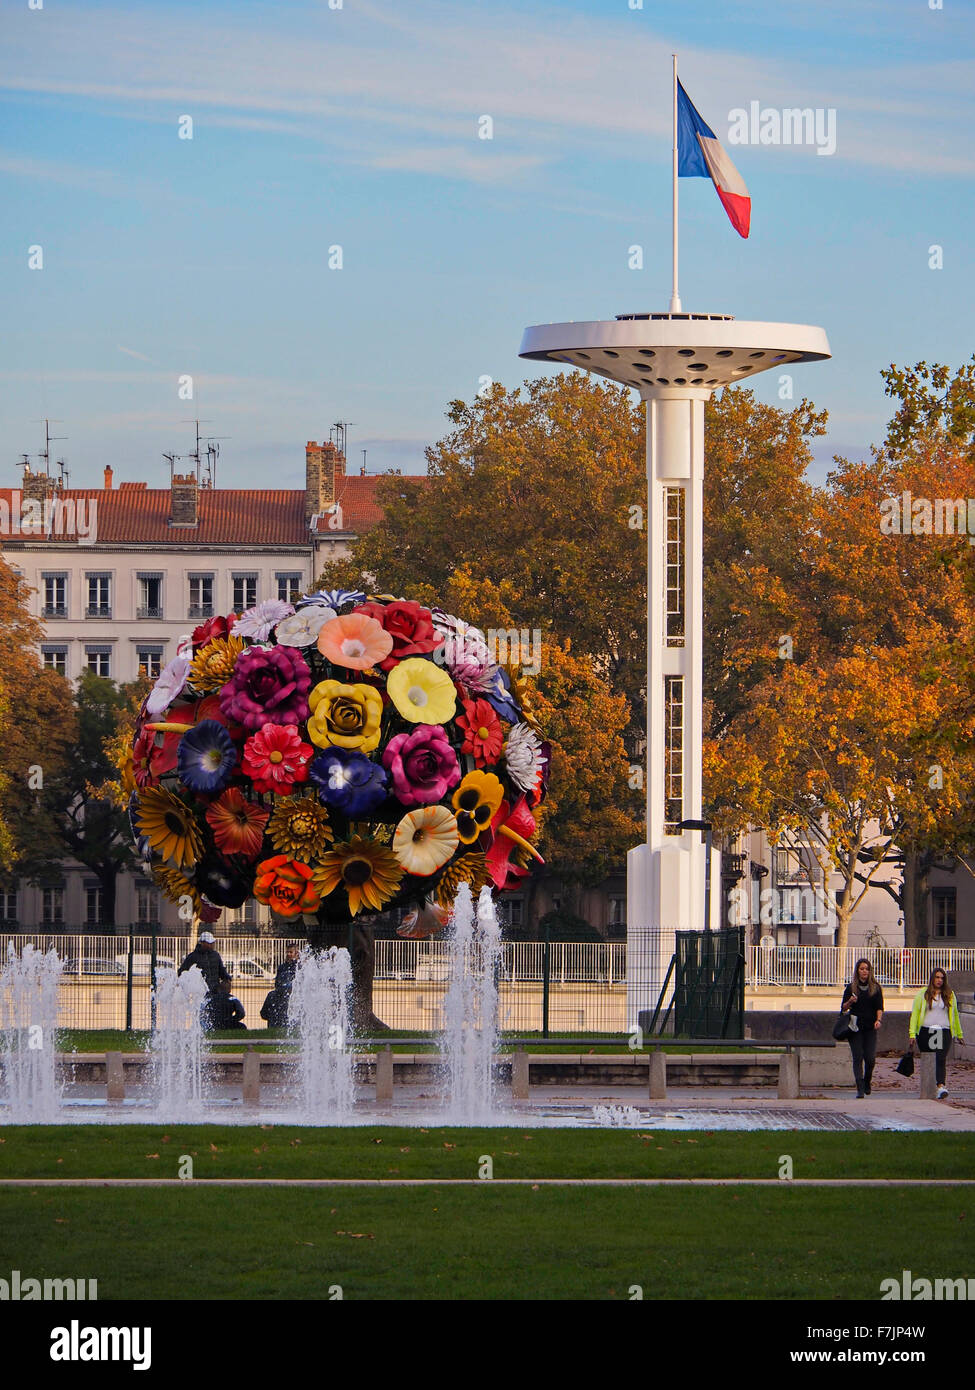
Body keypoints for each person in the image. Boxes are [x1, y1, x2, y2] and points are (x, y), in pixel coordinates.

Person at [909, 967, 964, 1099]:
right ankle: (929, 1087)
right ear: (932, 978)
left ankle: (940, 1086)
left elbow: (955, 1015)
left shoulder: (950, 995)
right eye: (937, 977)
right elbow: (915, 1014)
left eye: (942, 978)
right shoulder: (923, 993)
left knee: (940, 1058)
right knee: (929, 1060)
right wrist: (912, 1033)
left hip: (943, 1030)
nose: (939, 980)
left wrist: (959, 1033)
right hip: (926, 1030)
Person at [840, 958, 884, 1098]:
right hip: (855, 1027)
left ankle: (867, 1081)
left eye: (867, 969)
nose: (864, 971)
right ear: (857, 971)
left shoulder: (875, 988)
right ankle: (859, 1087)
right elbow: (843, 1008)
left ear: (870, 971)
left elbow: (879, 1007)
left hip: (870, 1027)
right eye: (862, 969)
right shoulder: (851, 987)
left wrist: (878, 1020)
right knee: (857, 1057)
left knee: (870, 1058)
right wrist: (850, 1001)